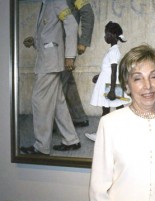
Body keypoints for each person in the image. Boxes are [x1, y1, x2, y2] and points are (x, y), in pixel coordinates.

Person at [89, 44, 155, 201]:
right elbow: (98, 191)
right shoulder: (109, 124)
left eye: (154, 76)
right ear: (126, 85)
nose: (148, 86)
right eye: (138, 78)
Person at [20, 0, 81, 155]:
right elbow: (51, 31)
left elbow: (72, 24)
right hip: (48, 58)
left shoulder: (56, 1)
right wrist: (35, 42)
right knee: (58, 102)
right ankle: (71, 139)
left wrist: (69, 56)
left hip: (50, 62)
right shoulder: (46, 3)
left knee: (39, 100)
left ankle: (41, 146)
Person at [85, 21, 129, 141]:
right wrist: (99, 76)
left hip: (110, 86)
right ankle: (119, 134)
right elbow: (108, 70)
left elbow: (114, 71)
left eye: (106, 34)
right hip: (110, 84)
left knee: (108, 110)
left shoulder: (114, 51)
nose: (105, 36)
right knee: (118, 108)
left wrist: (112, 90)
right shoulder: (113, 51)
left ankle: (101, 136)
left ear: (113, 35)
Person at [60, 0, 95, 127]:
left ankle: (51, 123)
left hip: (66, 46)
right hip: (57, 45)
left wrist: (83, 41)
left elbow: (87, 13)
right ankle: (79, 117)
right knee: (67, 82)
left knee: (59, 85)